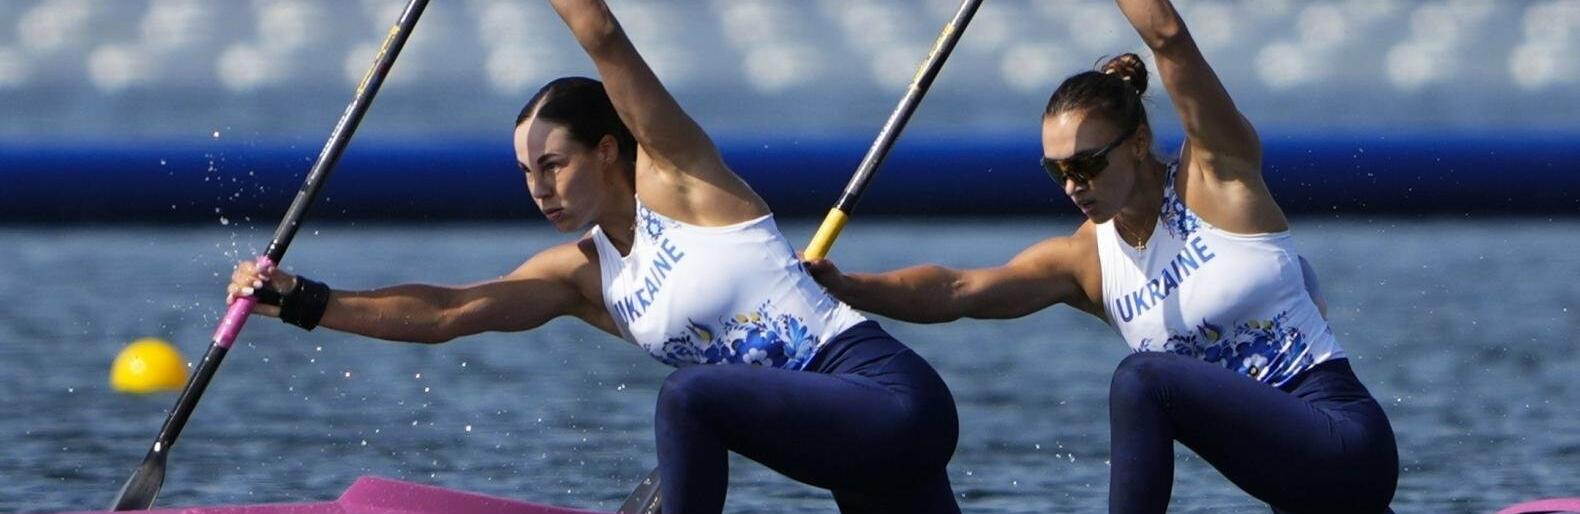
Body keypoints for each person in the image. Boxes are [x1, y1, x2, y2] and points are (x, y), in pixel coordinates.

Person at [225, 1, 961, 513]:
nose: (538, 189)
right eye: (526, 172)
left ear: (608, 150)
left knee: (688, 396)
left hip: (890, 399)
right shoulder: (581, 276)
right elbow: (448, 313)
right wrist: (302, 301)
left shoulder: (681, 179)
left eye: (554, 165)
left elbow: (601, 32)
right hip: (845, 448)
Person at [805, 1, 1398, 513]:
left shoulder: (1218, 175)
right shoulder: (1086, 261)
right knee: (1147, 381)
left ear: (1137, 143)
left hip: (1344, 441)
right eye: (1057, 171)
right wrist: (848, 286)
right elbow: (958, 291)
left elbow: (1169, 38)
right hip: (1285, 484)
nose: (1073, 185)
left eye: (1087, 164)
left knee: (1143, 379)